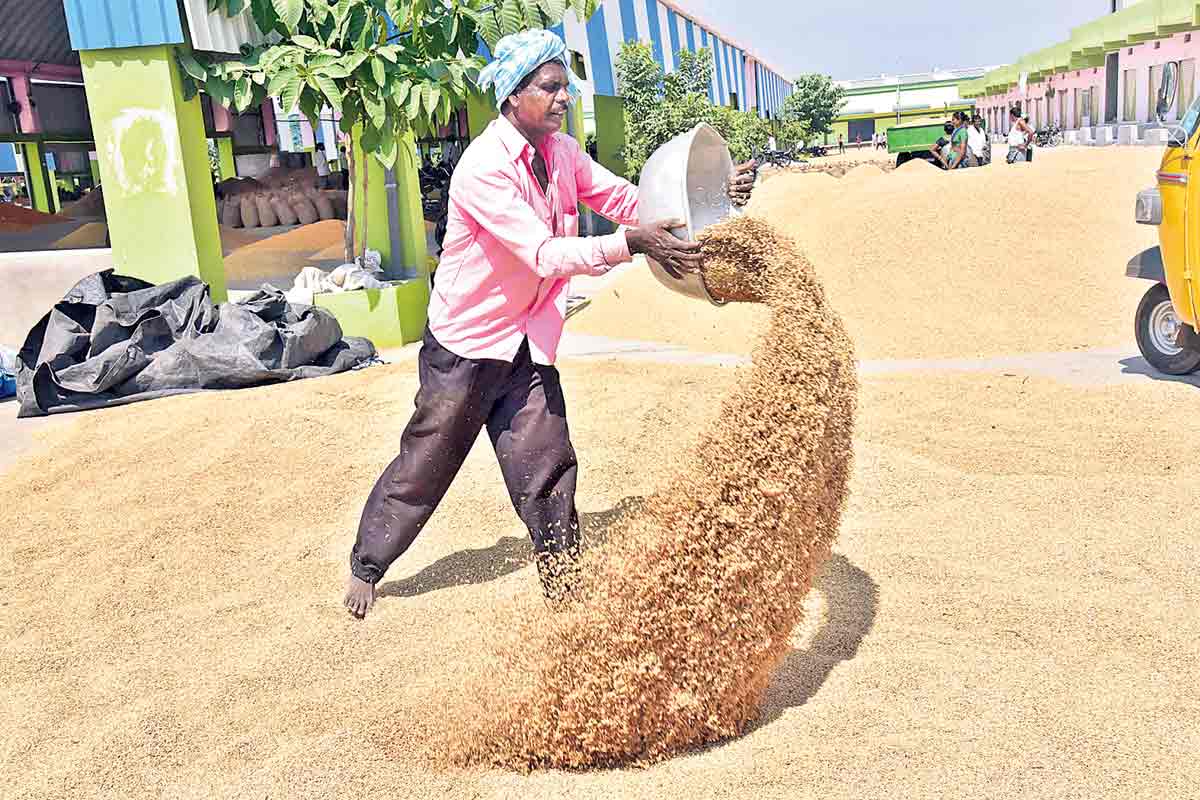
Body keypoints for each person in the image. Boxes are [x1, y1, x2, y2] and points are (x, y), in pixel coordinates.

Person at [342, 29, 759, 618]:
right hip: (467, 344)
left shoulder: (561, 153)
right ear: (514, 96)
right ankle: (368, 564)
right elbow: (541, 253)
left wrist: (713, 194)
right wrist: (629, 246)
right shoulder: (484, 168)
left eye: (566, 87)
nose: (564, 98)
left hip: (526, 341)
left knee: (546, 458)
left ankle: (565, 582)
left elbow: (620, 199)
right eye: (551, 87)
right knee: (428, 459)